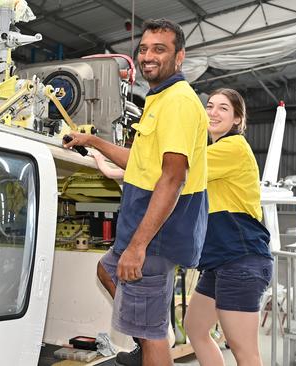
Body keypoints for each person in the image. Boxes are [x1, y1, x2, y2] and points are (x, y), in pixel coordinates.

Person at [64, 18, 209, 366]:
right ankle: (147, 333)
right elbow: (141, 161)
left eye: (159, 49)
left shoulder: (177, 102)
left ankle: (151, 340)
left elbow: (172, 179)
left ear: (180, 57)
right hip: (142, 231)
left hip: (155, 236)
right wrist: (93, 141)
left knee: (154, 336)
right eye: (143, 49)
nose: (147, 56)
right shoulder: (159, 99)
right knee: (108, 269)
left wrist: (138, 247)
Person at [184, 88, 272, 366]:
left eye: (223, 108)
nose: (213, 112)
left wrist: (126, 166)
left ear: (237, 119)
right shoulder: (213, 151)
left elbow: (181, 170)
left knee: (244, 351)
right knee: (196, 327)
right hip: (220, 260)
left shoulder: (232, 147)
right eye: (210, 106)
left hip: (240, 258)